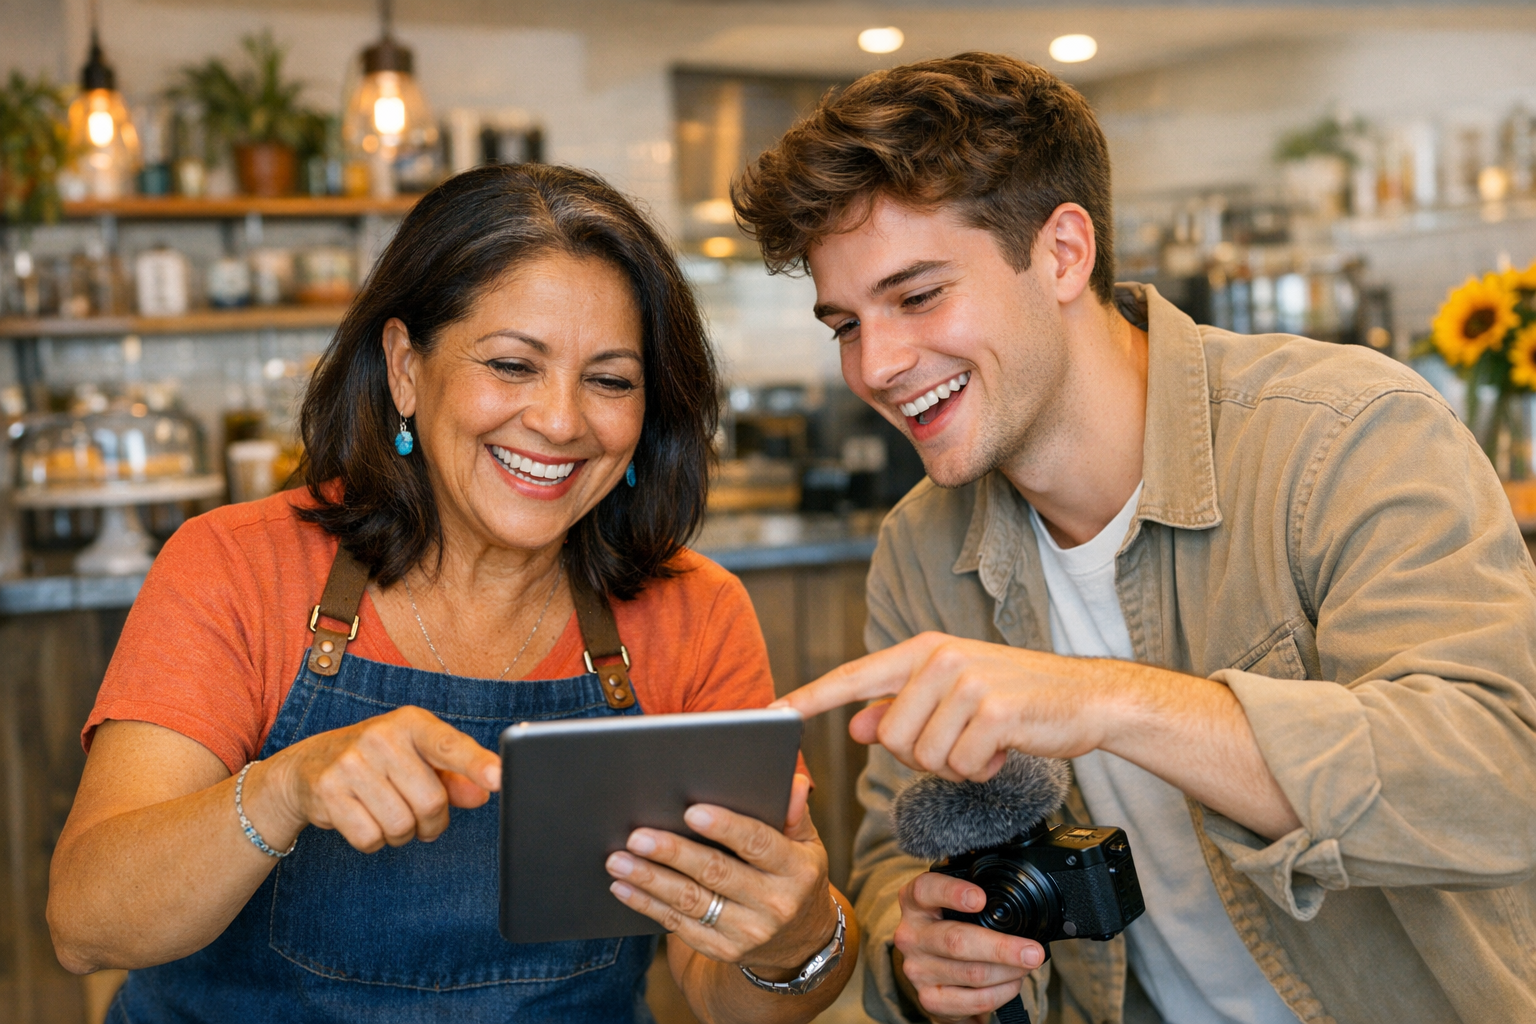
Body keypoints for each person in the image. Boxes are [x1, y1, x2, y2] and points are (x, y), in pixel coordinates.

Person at [732, 52, 1536, 1024]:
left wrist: (1105, 699)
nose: (877, 364)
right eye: (844, 325)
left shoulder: (1343, 431)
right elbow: (904, 851)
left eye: (918, 296)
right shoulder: (920, 547)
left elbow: (1495, 782)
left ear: (1064, 253)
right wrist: (929, 950)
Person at [47, 164, 857, 1023]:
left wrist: (793, 936)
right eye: (512, 365)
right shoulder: (238, 566)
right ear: (405, 366)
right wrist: (283, 790)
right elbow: (87, 925)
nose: (559, 420)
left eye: (611, 380)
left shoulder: (694, 611)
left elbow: (729, 997)